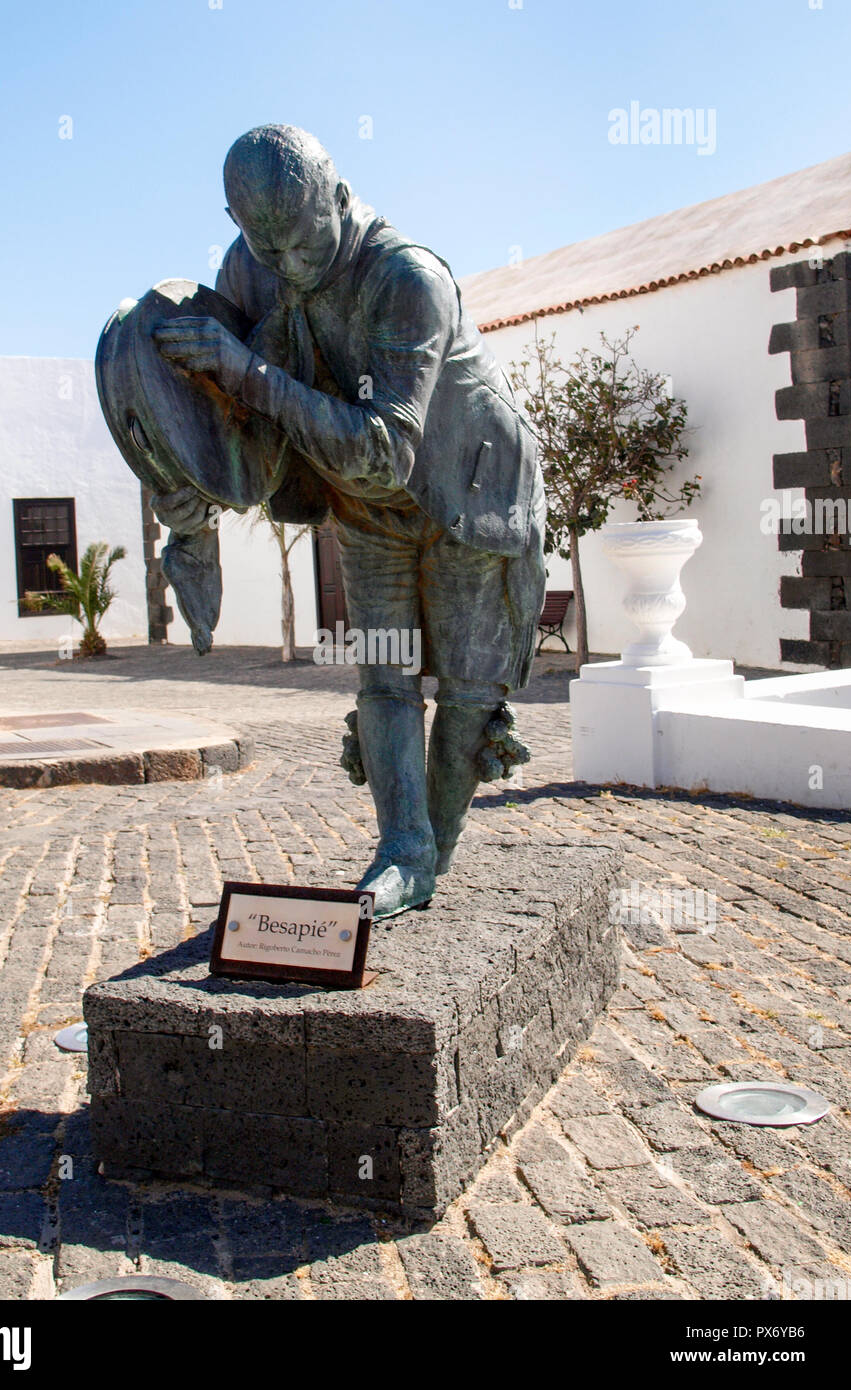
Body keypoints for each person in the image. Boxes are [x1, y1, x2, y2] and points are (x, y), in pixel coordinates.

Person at [151, 124, 546, 918]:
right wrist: (181, 482)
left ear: (337, 199)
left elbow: (382, 447)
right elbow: (219, 417)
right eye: (269, 252)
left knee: (467, 692)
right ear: (241, 230)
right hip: (366, 509)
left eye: (303, 244)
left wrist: (246, 369)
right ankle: (400, 853)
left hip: (468, 498)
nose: (289, 268)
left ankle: (428, 853)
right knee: (384, 675)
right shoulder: (254, 265)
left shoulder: (406, 277)